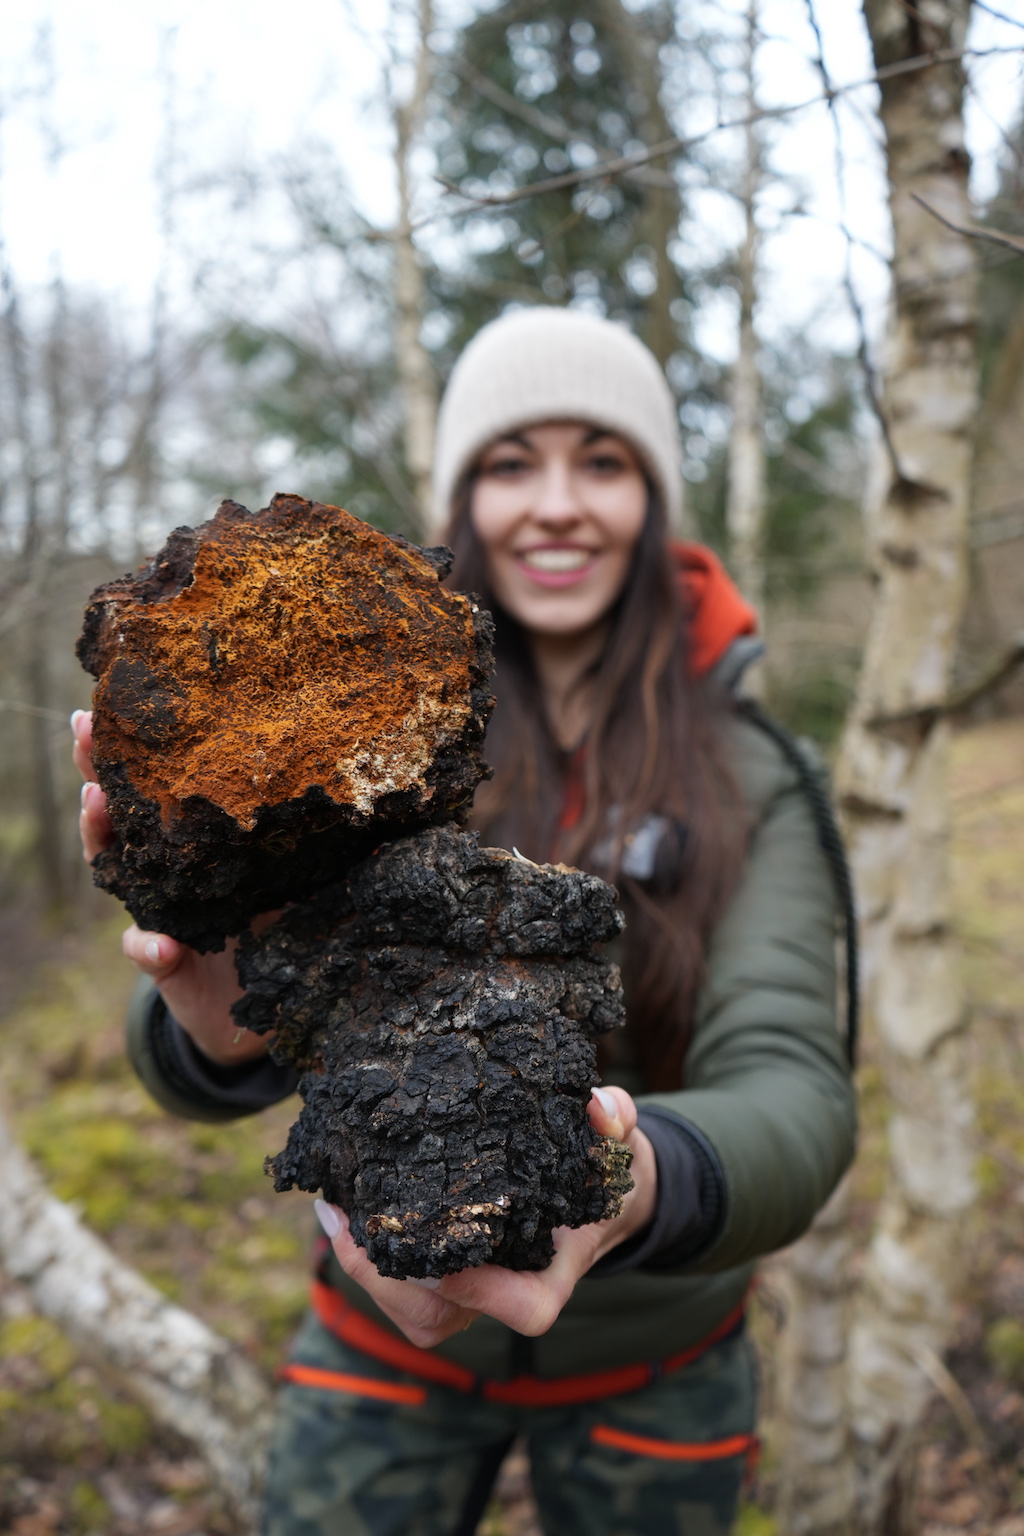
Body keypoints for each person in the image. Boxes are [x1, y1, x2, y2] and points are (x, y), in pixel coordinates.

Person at [73, 307, 857, 1536]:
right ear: (463, 499)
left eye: (602, 461)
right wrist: (228, 1024)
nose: (556, 504)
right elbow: (190, 1029)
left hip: (655, 1364)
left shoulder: (753, 774)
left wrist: (631, 1181)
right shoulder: (377, 733)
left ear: (654, 499)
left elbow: (796, 1088)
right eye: (510, 462)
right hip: (382, 1350)